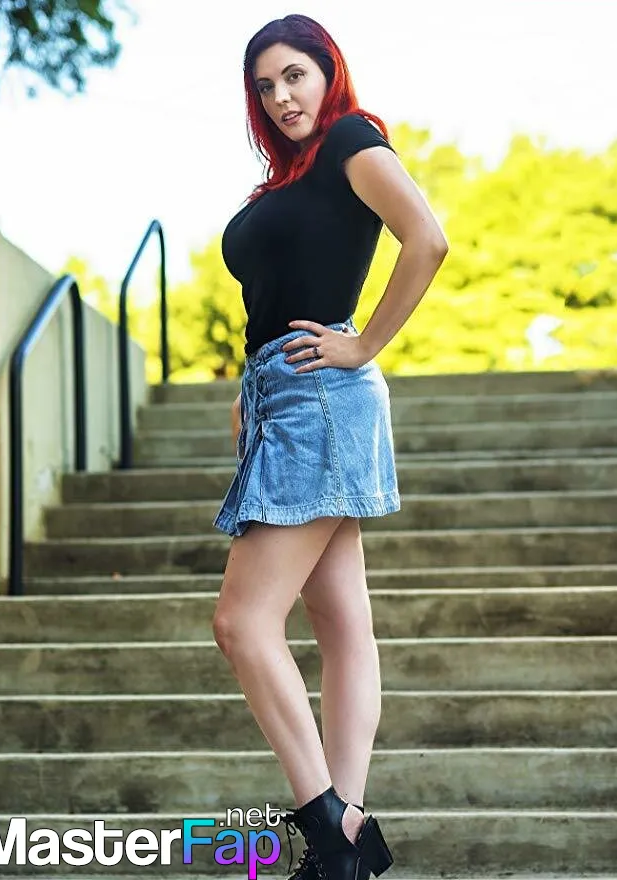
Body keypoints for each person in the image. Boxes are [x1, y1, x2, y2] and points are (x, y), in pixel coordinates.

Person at [211, 13, 449, 880]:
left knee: (242, 622)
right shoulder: (288, 179)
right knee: (342, 622)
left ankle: (327, 830)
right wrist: (250, 394)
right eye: (265, 86)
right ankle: (347, 832)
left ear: (327, 72)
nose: (281, 97)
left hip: (320, 392)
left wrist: (364, 344)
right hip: (281, 398)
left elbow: (427, 238)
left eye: (294, 76)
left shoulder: (352, 139)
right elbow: (273, 298)